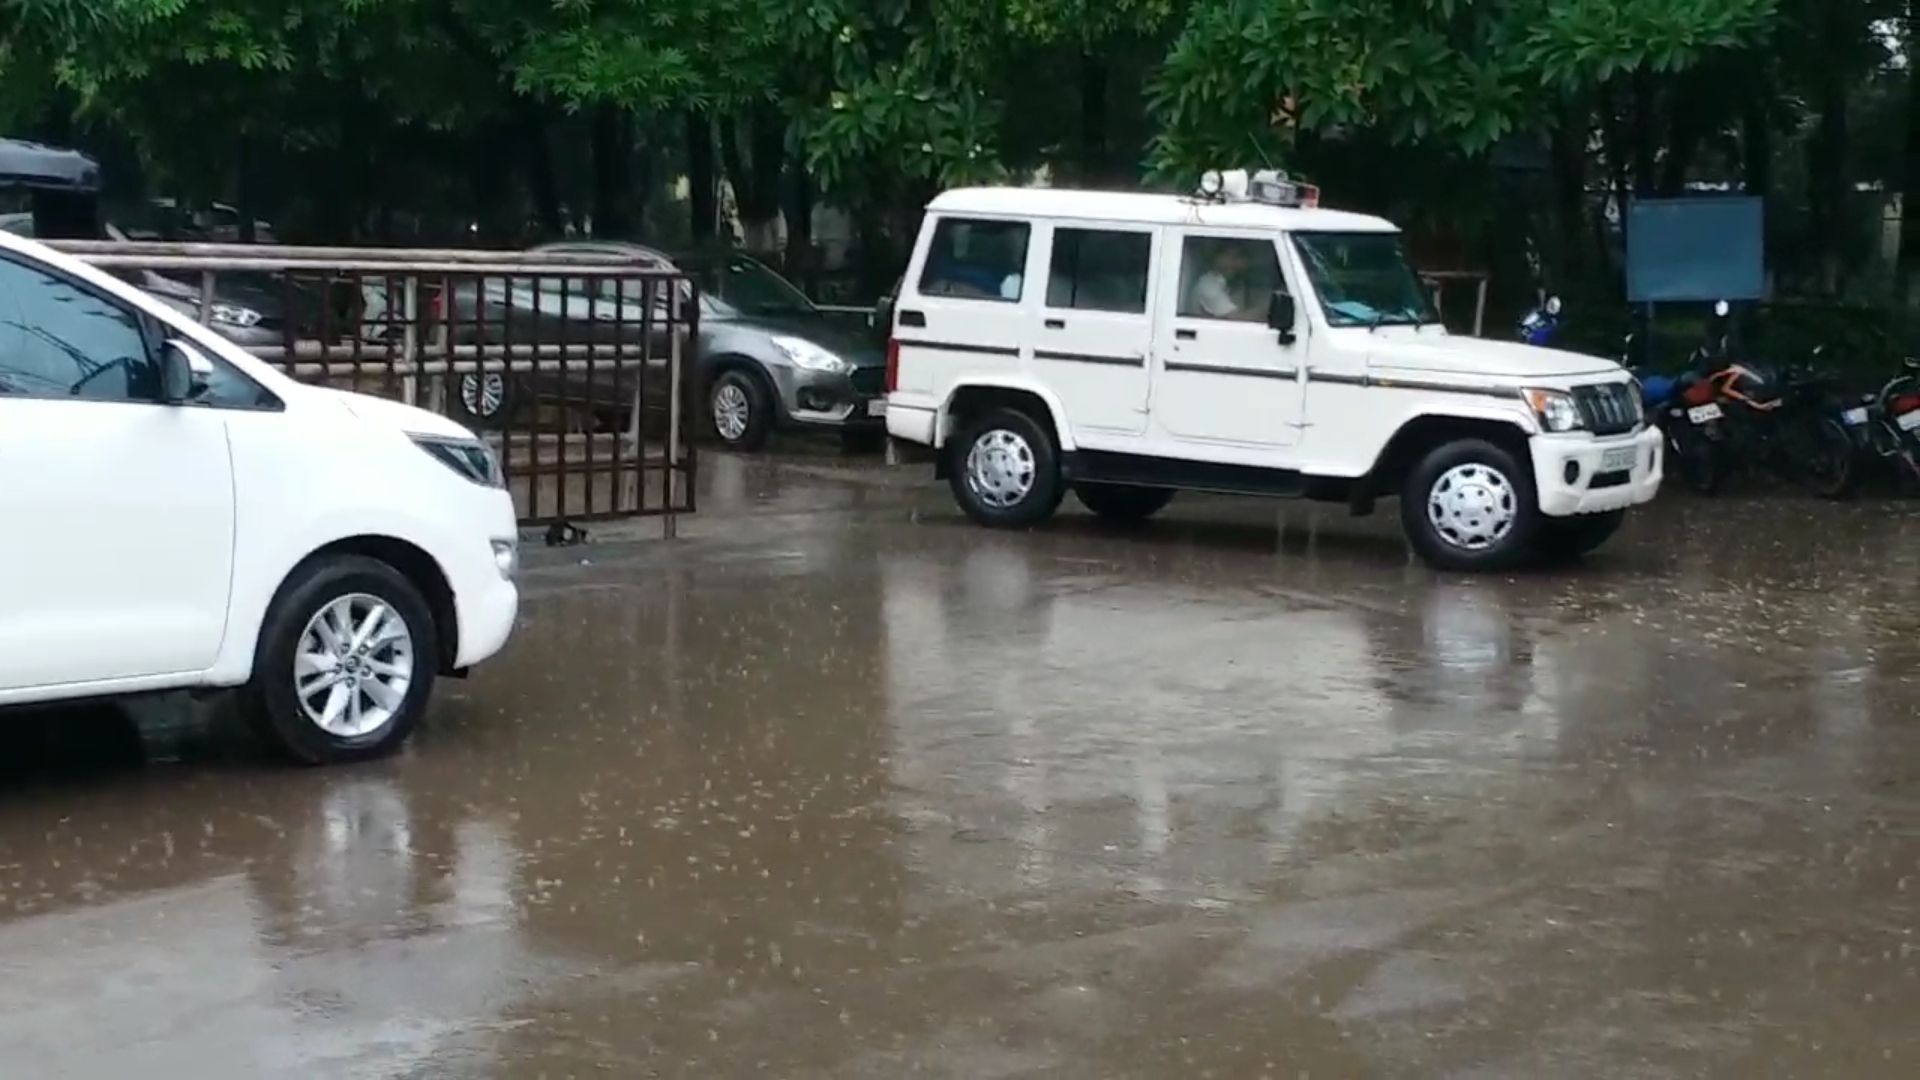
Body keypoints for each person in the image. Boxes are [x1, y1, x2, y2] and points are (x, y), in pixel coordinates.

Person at [1189, 242, 1266, 321]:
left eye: (1241, 258)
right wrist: (1264, 311)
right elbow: (1240, 319)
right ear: (1217, 258)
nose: (1238, 263)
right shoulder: (1208, 286)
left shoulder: (1230, 283)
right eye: (1232, 257)